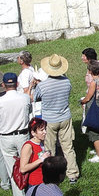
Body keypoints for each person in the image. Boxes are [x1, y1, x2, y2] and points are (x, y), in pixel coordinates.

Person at [35, 54, 80, 184]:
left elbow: (36, 97)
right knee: (68, 147)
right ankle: (72, 174)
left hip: (50, 119)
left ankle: (53, 174)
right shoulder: (67, 82)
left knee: (50, 148)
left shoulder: (42, 85)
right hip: (65, 117)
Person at [0, 72, 32, 196]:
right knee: (27, 165)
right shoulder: (25, 98)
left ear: (3, 85)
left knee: (12, 168)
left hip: (7, 136)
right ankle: (31, 192)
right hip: (22, 135)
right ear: (17, 84)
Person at [79, 60, 99, 163]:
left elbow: (88, 97)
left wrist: (81, 101)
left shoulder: (93, 83)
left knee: (93, 132)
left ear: (90, 71)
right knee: (98, 128)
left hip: (92, 108)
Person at [20, 117, 51, 189]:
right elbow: (23, 169)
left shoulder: (42, 143)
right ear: (33, 133)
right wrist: (41, 159)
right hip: (34, 185)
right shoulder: (28, 146)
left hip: (45, 182)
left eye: (45, 129)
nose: (45, 132)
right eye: (41, 130)